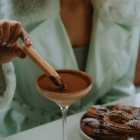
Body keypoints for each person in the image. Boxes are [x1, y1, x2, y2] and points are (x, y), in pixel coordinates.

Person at [0, 0, 140, 138]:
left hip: (89, 130)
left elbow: (118, 95)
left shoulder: (127, 10)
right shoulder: (5, 14)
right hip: (21, 132)